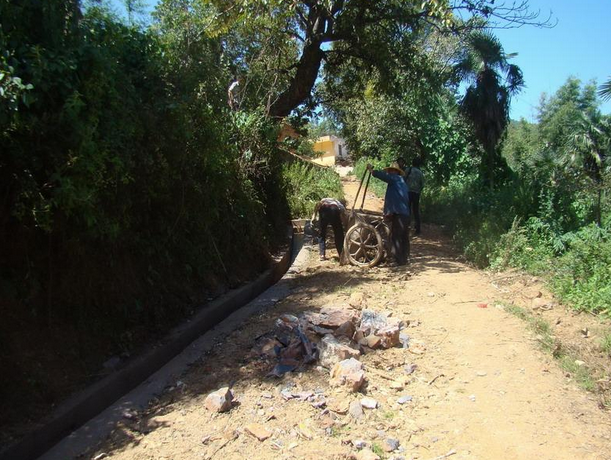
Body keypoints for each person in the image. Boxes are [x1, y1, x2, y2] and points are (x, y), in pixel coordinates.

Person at [366, 162, 410, 265]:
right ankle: (405, 259)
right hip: (405, 213)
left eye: (390, 170)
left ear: (394, 171)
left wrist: (372, 171)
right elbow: (395, 198)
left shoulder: (394, 179)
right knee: (403, 236)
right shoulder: (401, 182)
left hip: (400, 213)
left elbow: (383, 176)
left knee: (396, 237)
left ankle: (397, 260)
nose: (389, 172)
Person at [398, 157, 424, 235]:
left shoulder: (408, 170)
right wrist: (418, 190)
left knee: (407, 209)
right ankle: (418, 229)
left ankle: (406, 226)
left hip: (407, 192)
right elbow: (422, 184)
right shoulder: (420, 173)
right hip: (416, 193)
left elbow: (402, 179)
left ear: (412, 163)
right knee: (416, 210)